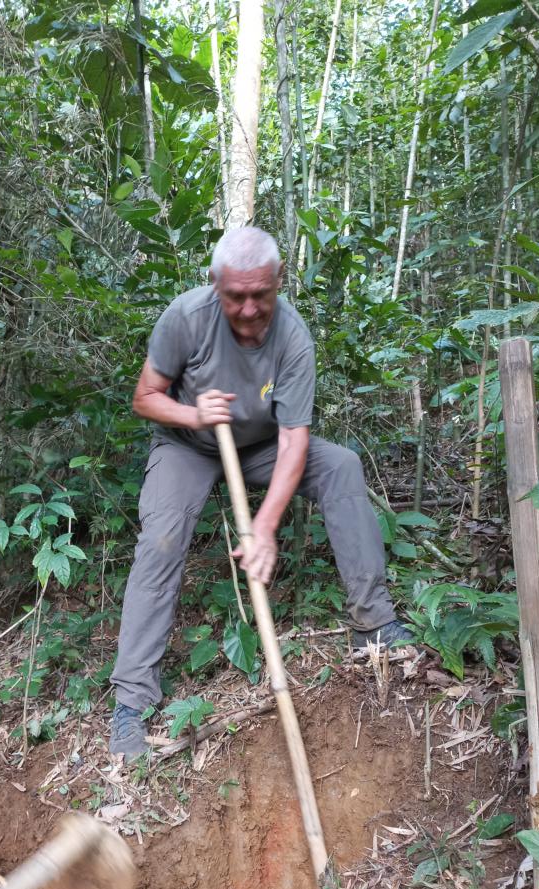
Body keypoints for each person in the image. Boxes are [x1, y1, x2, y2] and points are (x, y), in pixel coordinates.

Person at [109, 226, 410, 760]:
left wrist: (265, 527)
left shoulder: (293, 337)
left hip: (263, 445)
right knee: (161, 538)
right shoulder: (185, 317)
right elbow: (145, 397)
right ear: (214, 285)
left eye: (260, 295)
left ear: (278, 281)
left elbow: (295, 439)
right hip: (187, 445)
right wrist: (194, 413)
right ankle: (133, 701)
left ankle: (376, 625)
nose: (249, 310)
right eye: (235, 296)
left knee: (340, 466)